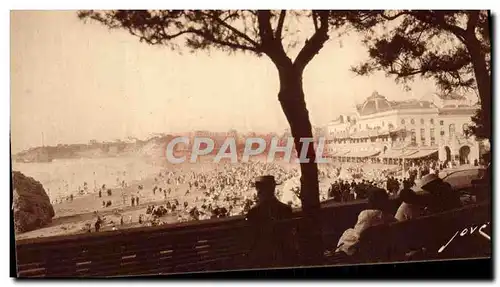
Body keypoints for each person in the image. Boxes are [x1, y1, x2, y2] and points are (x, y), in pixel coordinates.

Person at [245, 175, 296, 268]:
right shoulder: (286, 209)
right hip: (285, 253)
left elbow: (250, 239)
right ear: (274, 188)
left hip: (262, 256)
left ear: (258, 190)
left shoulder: (254, 212)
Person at [336, 187, 396, 256]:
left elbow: (359, 233)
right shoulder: (388, 216)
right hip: (378, 247)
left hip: (364, 246)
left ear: (371, 200)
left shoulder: (366, 214)